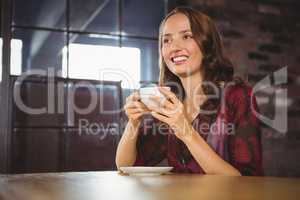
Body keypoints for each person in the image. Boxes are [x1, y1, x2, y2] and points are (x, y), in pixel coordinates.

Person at [115, 7, 263, 176]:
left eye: (186, 36)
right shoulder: (170, 103)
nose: (174, 47)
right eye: (166, 40)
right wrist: (133, 123)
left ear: (207, 44)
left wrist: (185, 130)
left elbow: (248, 181)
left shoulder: (238, 96)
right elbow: (127, 166)